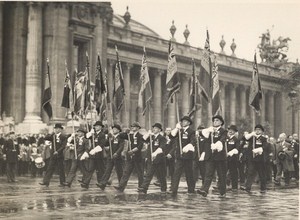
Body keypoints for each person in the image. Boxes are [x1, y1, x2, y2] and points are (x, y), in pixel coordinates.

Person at [197, 115, 228, 198]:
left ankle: (222, 192)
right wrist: (207, 130)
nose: (215, 122)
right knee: (208, 173)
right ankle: (205, 190)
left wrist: (217, 144)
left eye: (217, 120)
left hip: (219, 156)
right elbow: (201, 135)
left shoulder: (223, 131)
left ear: (221, 122)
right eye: (214, 120)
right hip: (210, 156)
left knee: (221, 175)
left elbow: (223, 139)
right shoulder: (210, 131)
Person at [114, 122, 144, 192]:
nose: (132, 128)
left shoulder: (140, 136)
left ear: (138, 128)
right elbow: (120, 136)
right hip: (129, 157)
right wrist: (125, 131)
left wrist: (133, 151)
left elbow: (140, 146)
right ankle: (121, 186)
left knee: (140, 173)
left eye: (134, 126)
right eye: (132, 126)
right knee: (126, 172)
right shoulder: (129, 135)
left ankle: (141, 187)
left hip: (137, 156)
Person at [170, 116, 196, 196]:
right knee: (176, 173)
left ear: (188, 123)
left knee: (189, 174)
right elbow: (171, 136)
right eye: (182, 121)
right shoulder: (179, 130)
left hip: (188, 155)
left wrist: (188, 146)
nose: (183, 122)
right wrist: (176, 129)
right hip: (179, 155)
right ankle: (174, 189)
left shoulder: (191, 131)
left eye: (185, 121)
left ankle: (191, 190)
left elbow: (193, 141)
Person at [138, 123, 167, 194]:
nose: (154, 129)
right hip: (151, 159)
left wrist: (155, 153)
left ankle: (163, 189)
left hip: (159, 159)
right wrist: (148, 134)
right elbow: (143, 140)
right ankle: (144, 188)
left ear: (159, 130)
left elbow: (162, 147)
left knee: (161, 175)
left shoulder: (162, 138)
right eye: (153, 128)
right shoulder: (152, 137)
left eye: (156, 128)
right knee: (149, 174)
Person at [240, 124, 268, 193]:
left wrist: (259, 150)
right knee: (250, 172)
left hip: (260, 159)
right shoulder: (252, 138)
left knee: (261, 174)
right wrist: (251, 134)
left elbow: (265, 147)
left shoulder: (263, 138)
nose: (257, 131)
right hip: (252, 158)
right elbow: (244, 138)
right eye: (256, 129)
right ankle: (247, 187)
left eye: (259, 130)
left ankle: (263, 188)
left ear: (262, 131)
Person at [97, 124, 125, 190]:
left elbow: (121, 146)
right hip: (110, 155)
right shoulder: (111, 137)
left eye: (115, 129)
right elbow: (106, 144)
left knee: (119, 171)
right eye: (113, 129)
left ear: (118, 130)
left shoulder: (120, 137)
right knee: (108, 170)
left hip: (117, 156)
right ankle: (103, 183)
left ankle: (121, 185)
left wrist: (117, 153)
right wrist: (108, 138)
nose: (114, 130)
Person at [84, 121, 109, 187]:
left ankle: (102, 183)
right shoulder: (93, 134)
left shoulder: (102, 134)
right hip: (92, 155)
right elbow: (86, 137)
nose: (96, 127)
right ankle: (86, 183)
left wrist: (95, 150)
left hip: (99, 154)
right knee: (90, 169)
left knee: (100, 170)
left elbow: (102, 144)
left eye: (98, 126)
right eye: (95, 126)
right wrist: (90, 133)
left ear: (101, 127)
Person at [225, 125, 240, 191]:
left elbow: (237, 148)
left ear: (234, 132)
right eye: (229, 130)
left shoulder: (236, 140)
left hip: (233, 158)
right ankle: (221, 185)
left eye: (232, 130)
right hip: (225, 158)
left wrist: (232, 152)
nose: (230, 131)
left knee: (233, 173)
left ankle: (234, 187)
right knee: (223, 172)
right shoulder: (225, 139)